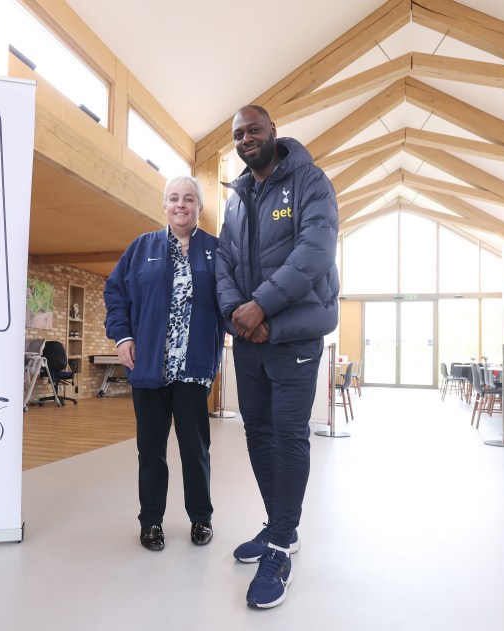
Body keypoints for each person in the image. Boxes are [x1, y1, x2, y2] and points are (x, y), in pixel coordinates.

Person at [215, 105, 339, 608]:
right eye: (238, 134)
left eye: (254, 130)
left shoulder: (309, 181)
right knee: (257, 432)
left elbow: (315, 249)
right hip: (248, 339)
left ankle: (282, 543)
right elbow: (223, 261)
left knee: (288, 437)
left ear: (273, 133)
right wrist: (237, 313)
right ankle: (279, 527)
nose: (246, 138)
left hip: (294, 337)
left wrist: (261, 306)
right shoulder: (237, 199)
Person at [104, 175, 225, 552]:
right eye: (174, 198)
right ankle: (151, 522)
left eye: (189, 199)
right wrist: (122, 336)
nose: (181, 205)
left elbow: (232, 300)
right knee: (151, 451)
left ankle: (201, 519)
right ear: (164, 205)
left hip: (193, 368)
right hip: (149, 367)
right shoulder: (142, 248)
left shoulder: (216, 252)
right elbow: (115, 293)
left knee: (195, 449)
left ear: (200, 208)